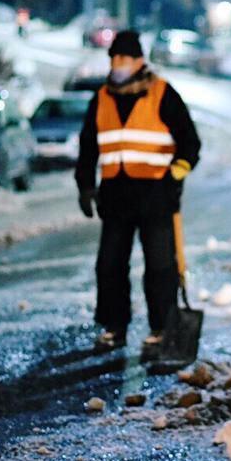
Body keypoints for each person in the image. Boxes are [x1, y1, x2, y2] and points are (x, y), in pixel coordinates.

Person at [75, 30, 200, 351]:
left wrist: (174, 176)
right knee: (110, 265)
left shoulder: (161, 93)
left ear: (139, 60)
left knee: (160, 266)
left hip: (155, 196)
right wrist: (86, 185)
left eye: (125, 58)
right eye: (114, 58)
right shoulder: (102, 97)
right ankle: (114, 327)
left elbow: (190, 143)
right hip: (115, 196)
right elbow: (88, 145)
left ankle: (161, 328)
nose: (118, 64)